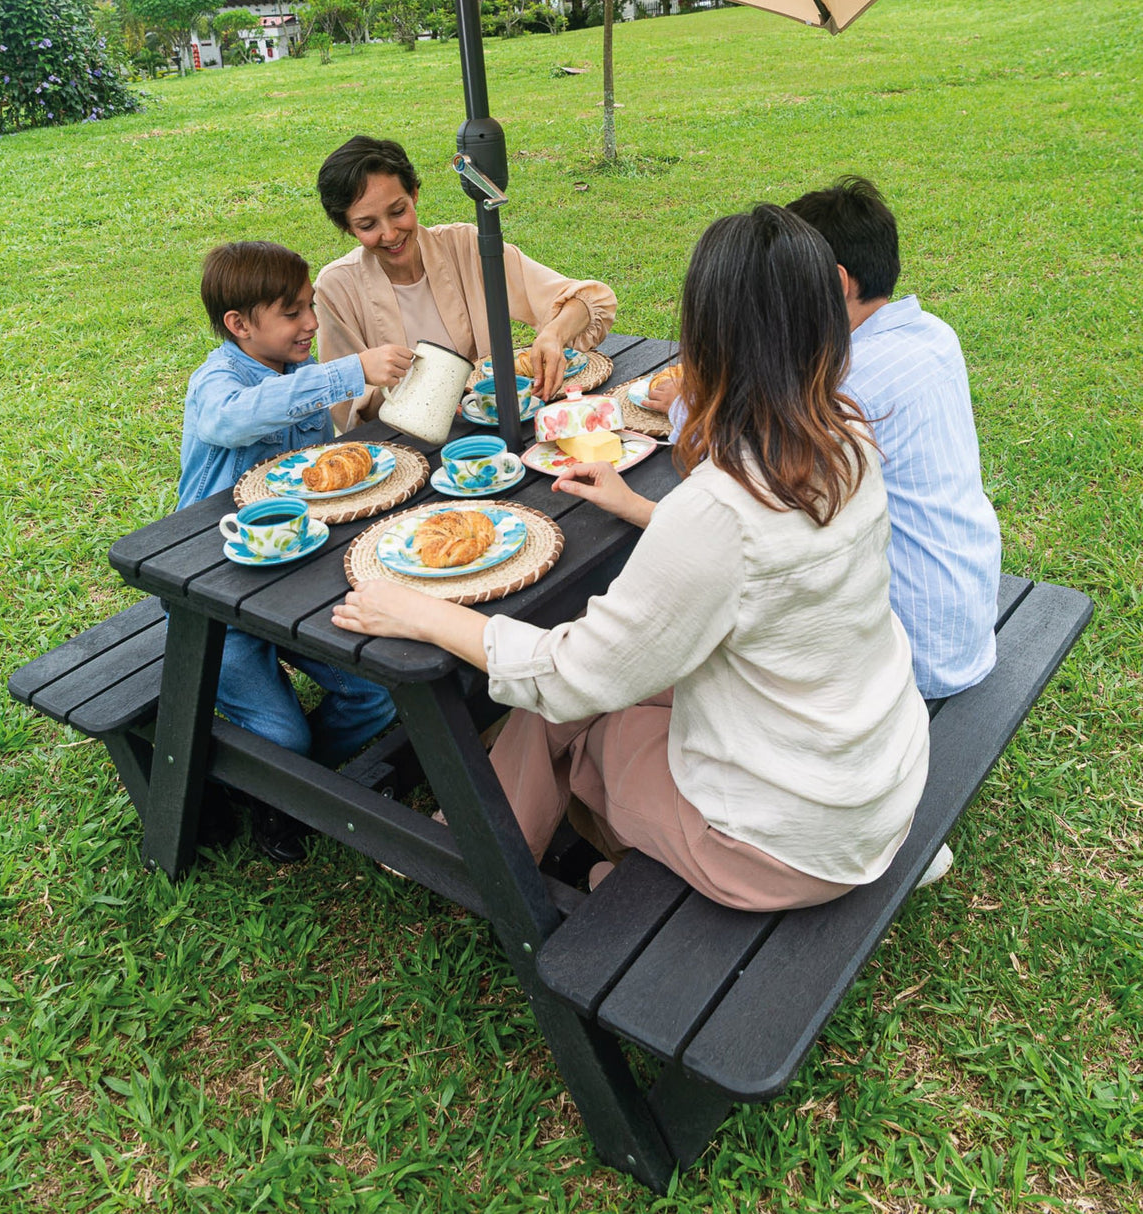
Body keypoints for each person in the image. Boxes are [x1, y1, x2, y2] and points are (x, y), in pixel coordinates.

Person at [332, 206, 934, 911]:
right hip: (869, 775)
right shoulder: (845, 439)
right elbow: (761, 561)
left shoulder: (718, 510)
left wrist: (422, 612)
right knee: (588, 690)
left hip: (784, 843)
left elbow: (571, 676)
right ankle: (503, 842)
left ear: (708, 339)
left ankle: (503, 859)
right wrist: (648, 511)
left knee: (575, 723)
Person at [181, 240, 412, 861]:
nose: (311, 323)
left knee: (379, 694)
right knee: (284, 731)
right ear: (239, 325)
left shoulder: (295, 374)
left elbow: (318, 473)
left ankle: (284, 784)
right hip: (214, 592)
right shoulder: (219, 382)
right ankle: (270, 778)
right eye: (293, 313)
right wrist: (345, 372)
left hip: (293, 578)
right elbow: (229, 423)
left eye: (310, 307)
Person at [784, 178, 1002, 700]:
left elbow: (769, 498)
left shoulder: (850, 386)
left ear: (835, 283)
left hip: (913, 652)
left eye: (786, 280)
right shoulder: (933, 334)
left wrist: (687, 407)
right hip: (964, 608)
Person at [313, 135, 618, 430]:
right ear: (347, 227)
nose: (390, 234)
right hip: (404, 445)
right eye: (367, 225)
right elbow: (346, 406)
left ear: (414, 195)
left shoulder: (465, 245)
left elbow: (590, 301)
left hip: (493, 427)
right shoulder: (336, 287)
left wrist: (553, 333)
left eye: (398, 211)